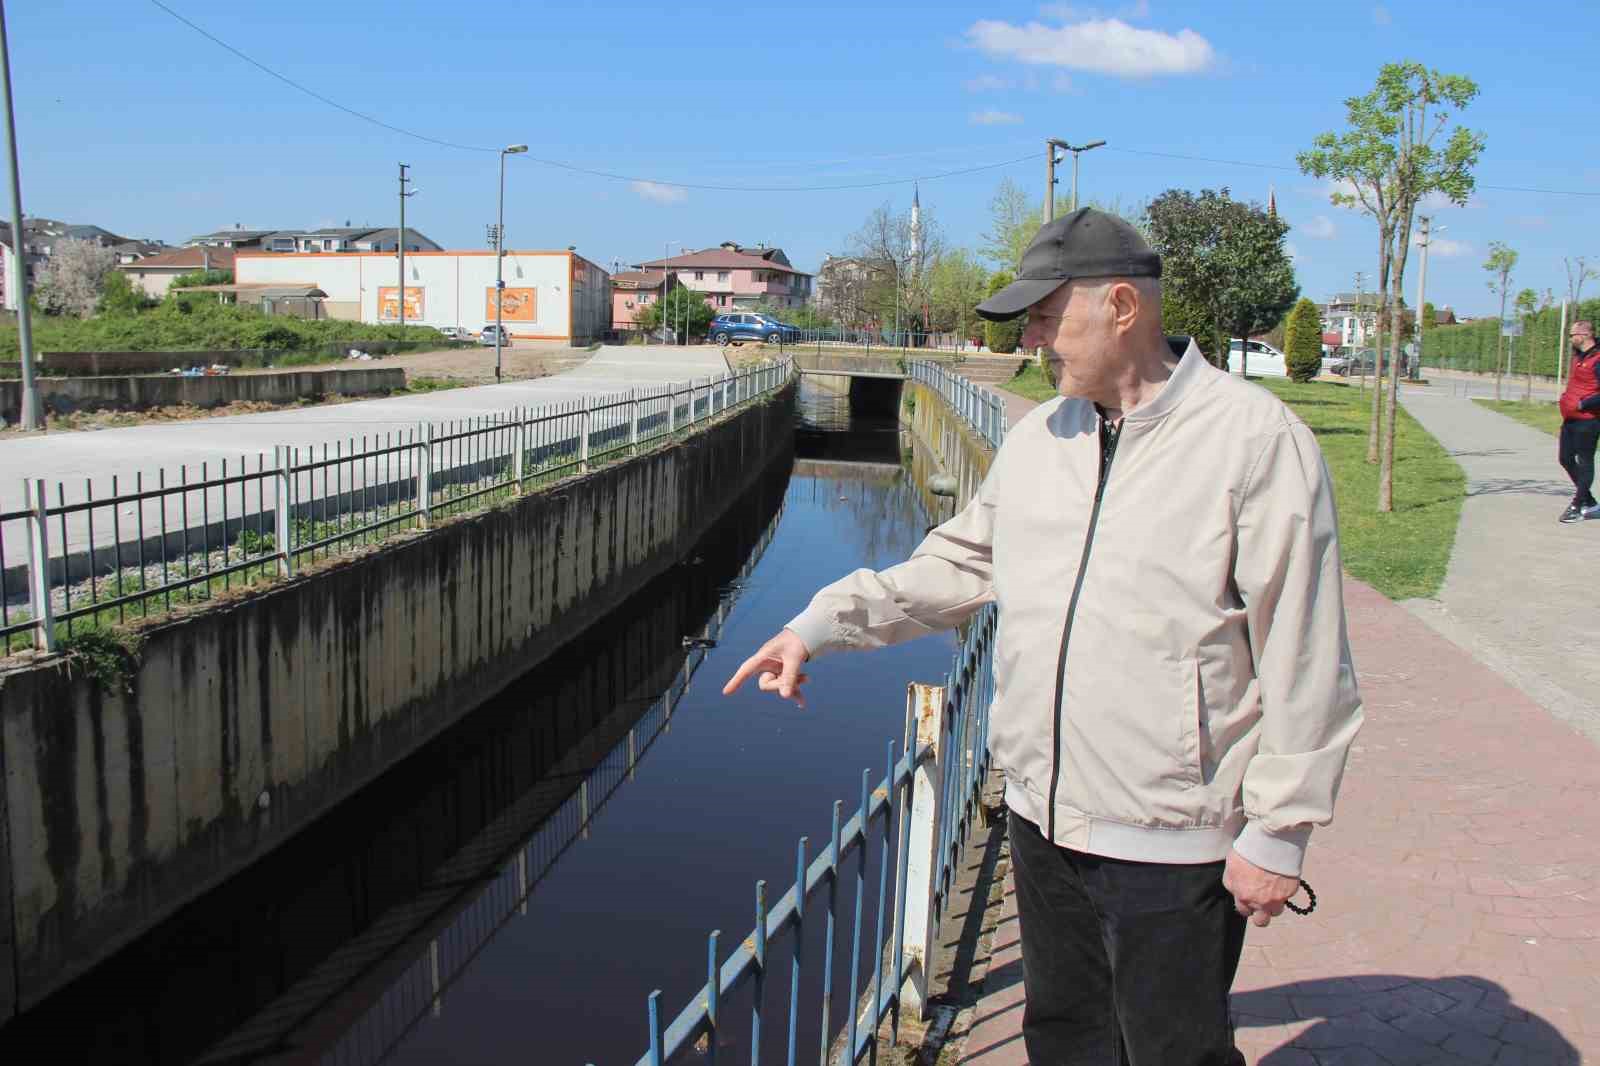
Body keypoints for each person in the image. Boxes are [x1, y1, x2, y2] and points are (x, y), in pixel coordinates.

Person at [724, 208, 1363, 1066]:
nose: (1030, 340)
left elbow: (1306, 655)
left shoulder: (1254, 444)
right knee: (1063, 1039)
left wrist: (1279, 834)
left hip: (1171, 837)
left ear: (1124, 307)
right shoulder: (1040, 438)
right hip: (1039, 817)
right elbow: (953, 566)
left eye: (1043, 316)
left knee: (1174, 1050)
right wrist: (818, 626)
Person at [1558, 319, 1600, 523]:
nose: (1570, 339)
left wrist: (1584, 404)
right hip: (1570, 419)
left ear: (1584, 335)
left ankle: (1577, 505)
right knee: (1565, 458)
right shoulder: (1578, 357)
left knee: (1585, 462)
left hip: (1588, 421)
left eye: (1572, 335)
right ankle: (1590, 501)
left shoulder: (1598, 359)